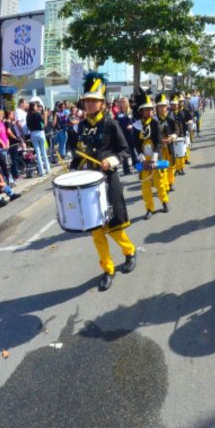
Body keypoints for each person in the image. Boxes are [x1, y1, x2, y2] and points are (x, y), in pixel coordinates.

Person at [70, 73, 138, 292]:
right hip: (88, 186)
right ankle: (107, 269)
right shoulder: (80, 126)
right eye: (87, 101)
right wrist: (73, 167)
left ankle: (129, 252)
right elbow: (79, 154)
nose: (89, 104)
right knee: (97, 232)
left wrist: (111, 160)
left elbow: (125, 150)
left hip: (108, 182)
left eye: (93, 100)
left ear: (102, 103)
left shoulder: (111, 124)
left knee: (115, 228)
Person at [133, 90, 169, 220]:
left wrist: (154, 158)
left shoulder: (155, 124)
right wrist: (142, 159)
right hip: (144, 161)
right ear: (141, 111)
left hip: (155, 158)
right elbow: (136, 145)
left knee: (159, 183)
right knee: (146, 186)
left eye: (151, 109)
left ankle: (164, 201)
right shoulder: (136, 126)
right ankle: (149, 208)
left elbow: (159, 142)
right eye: (147, 110)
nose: (150, 112)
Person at [155, 93, 177, 192]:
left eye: (164, 106)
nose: (162, 108)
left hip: (170, 145)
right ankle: (164, 185)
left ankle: (170, 183)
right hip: (160, 147)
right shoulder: (154, 120)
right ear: (157, 107)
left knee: (171, 166)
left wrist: (172, 136)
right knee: (162, 166)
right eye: (160, 106)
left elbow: (177, 131)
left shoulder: (171, 118)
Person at [26, 99, 50, 176]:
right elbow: (44, 124)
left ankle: (41, 171)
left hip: (33, 133)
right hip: (40, 132)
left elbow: (28, 126)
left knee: (38, 153)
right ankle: (48, 169)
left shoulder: (28, 115)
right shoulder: (38, 114)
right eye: (36, 105)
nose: (37, 107)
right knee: (43, 152)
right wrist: (45, 115)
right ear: (34, 107)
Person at [115, 97, 137, 176]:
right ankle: (126, 170)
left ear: (127, 103)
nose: (123, 104)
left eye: (124, 102)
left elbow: (135, 122)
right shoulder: (118, 113)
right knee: (123, 152)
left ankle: (136, 165)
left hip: (130, 134)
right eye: (121, 102)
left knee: (132, 150)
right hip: (122, 135)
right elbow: (116, 124)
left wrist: (131, 126)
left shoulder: (131, 112)